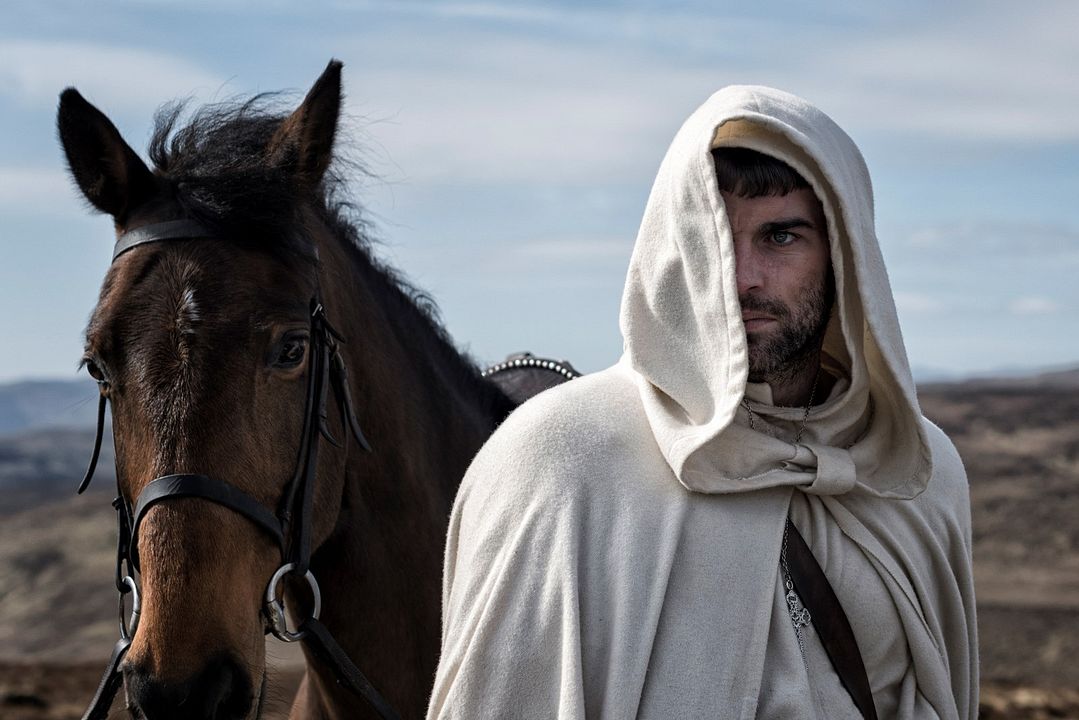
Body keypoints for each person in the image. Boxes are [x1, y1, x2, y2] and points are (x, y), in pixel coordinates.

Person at [426, 86, 978, 719]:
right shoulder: (557, 462)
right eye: (710, 234)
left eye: (780, 236)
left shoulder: (916, 474)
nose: (740, 277)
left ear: (844, 254)